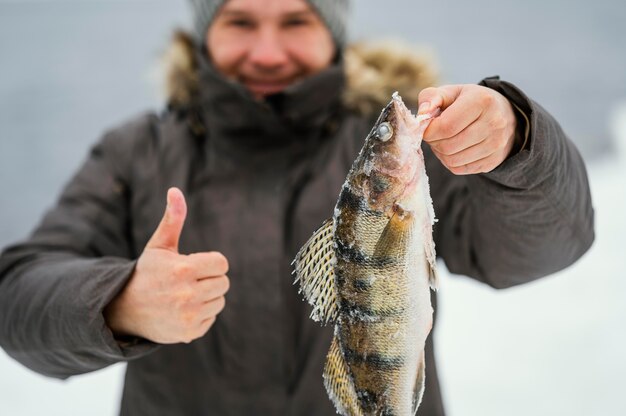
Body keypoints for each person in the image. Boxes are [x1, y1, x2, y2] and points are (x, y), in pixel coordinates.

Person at [0, 0, 594, 415]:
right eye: (239, 20)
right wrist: (119, 302)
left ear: (332, 29)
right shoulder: (136, 153)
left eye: (295, 20)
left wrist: (518, 145)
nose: (267, 50)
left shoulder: (412, 156)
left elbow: (544, 246)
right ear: (203, 29)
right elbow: (16, 297)